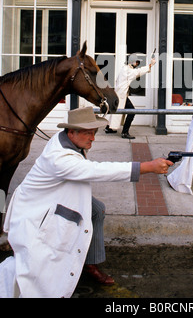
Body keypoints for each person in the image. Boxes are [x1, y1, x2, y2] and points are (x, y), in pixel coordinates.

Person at [0, 107, 172, 298]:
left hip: (58, 191)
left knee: (96, 210)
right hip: (37, 206)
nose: (93, 138)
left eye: (94, 132)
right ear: (71, 132)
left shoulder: (66, 139)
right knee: (35, 267)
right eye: (88, 133)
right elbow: (98, 170)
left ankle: (90, 263)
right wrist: (148, 167)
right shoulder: (59, 159)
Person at [105, 53, 156, 139]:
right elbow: (138, 72)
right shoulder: (128, 70)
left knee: (116, 111)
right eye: (137, 62)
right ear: (132, 62)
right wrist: (150, 65)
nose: (138, 64)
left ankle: (110, 128)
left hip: (119, 94)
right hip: (121, 95)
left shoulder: (125, 68)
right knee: (132, 112)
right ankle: (125, 132)